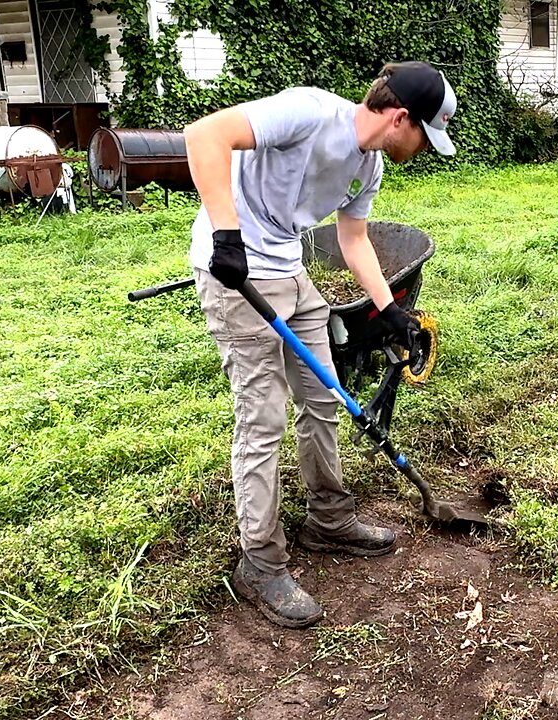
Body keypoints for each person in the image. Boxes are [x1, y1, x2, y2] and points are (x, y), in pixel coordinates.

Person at [184, 61, 457, 628]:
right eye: (424, 137)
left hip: (290, 268)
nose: (424, 149)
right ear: (400, 117)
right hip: (236, 274)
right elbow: (204, 135)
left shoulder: (370, 164)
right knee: (262, 420)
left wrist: (390, 310)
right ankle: (259, 561)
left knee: (323, 395)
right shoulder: (308, 112)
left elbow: (353, 239)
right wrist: (227, 235)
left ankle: (328, 516)